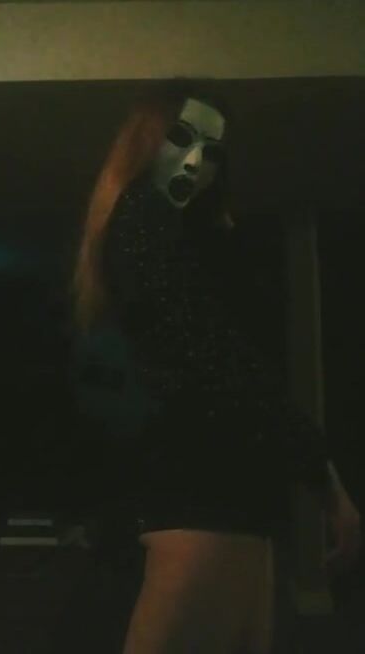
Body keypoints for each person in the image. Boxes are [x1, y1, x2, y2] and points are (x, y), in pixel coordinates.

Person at [72, 78, 361, 654]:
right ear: (146, 141)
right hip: (206, 502)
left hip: (220, 502)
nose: (196, 161)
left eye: (212, 151)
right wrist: (324, 476)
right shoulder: (145, 221)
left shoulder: (162, 233)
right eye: (181, 138)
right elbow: (221, 357)